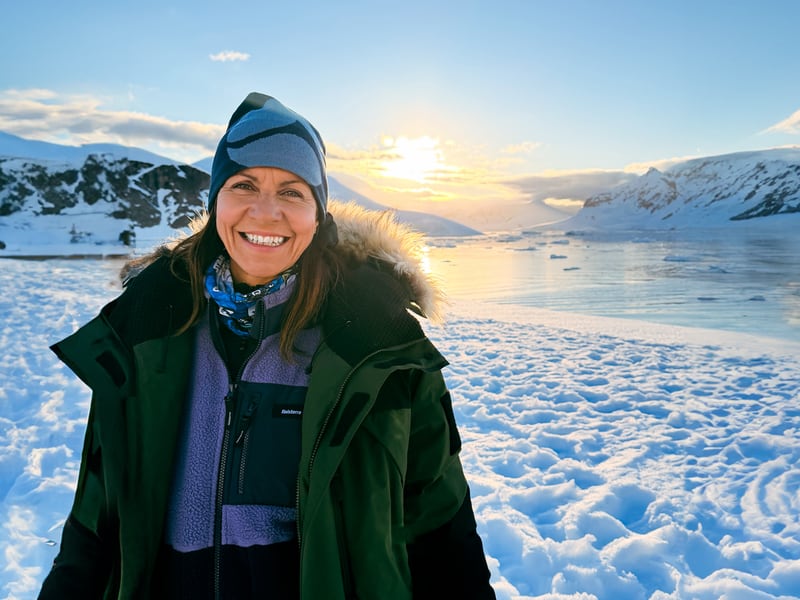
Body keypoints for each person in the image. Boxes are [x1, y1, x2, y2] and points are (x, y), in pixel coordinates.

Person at [38, 92, 496, 599]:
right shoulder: (145, 334)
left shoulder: (377, 348)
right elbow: (93, 524)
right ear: (216, 202)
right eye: (244, 184)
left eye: (293, 192)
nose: (266, 212)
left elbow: (443, 532)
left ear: (318, 213)